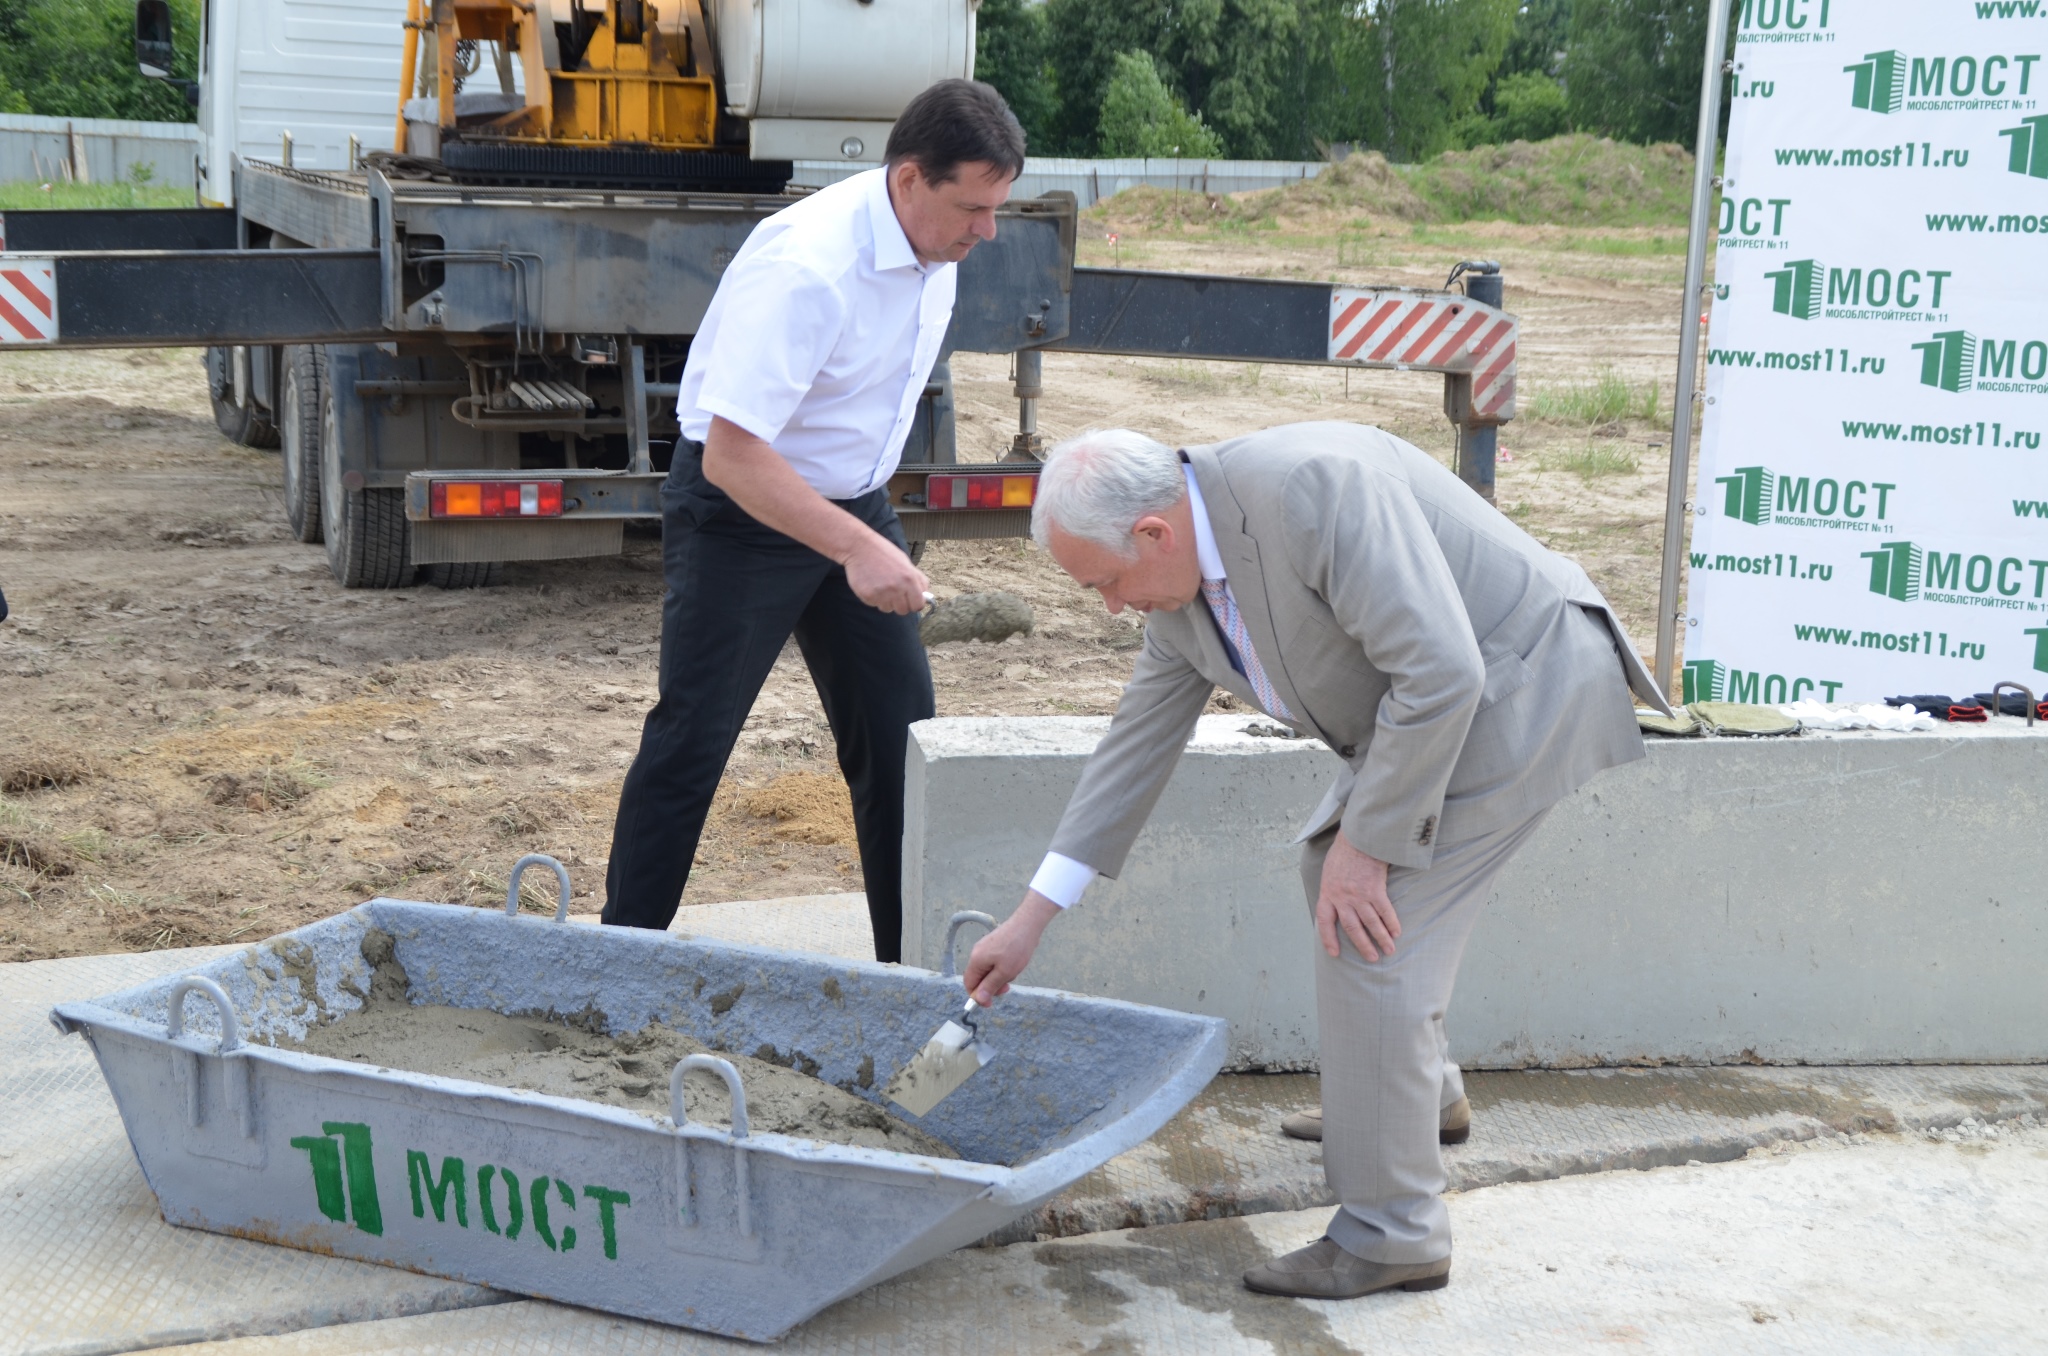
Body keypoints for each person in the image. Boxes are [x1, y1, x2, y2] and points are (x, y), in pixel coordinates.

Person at [962, 423, 1671, 1299]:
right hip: (1431, 711)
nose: (1110, 606)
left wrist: (1369, 848)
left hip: (1522, 684)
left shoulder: (1311, 491)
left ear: (1154, 532)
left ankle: (1392, 1233)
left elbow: (1443, 671)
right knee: (1331, 876)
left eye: (1105, 582)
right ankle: (1417, 1101)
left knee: (1374, 935)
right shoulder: (1179, 598)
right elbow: (1130, 754)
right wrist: (1031, 919)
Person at [602, 80, 1025, 961]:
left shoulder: (935, 245)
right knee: (693, 741)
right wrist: (858, 546)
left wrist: (860, 529)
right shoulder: (807, 265)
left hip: (852, 505)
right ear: (909, 180)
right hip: (742, 514)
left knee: (904, 748)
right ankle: (615, 967)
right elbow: (733, 455)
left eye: (997, 208)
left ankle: (910, 973)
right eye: (973, 208)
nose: (988, 231)